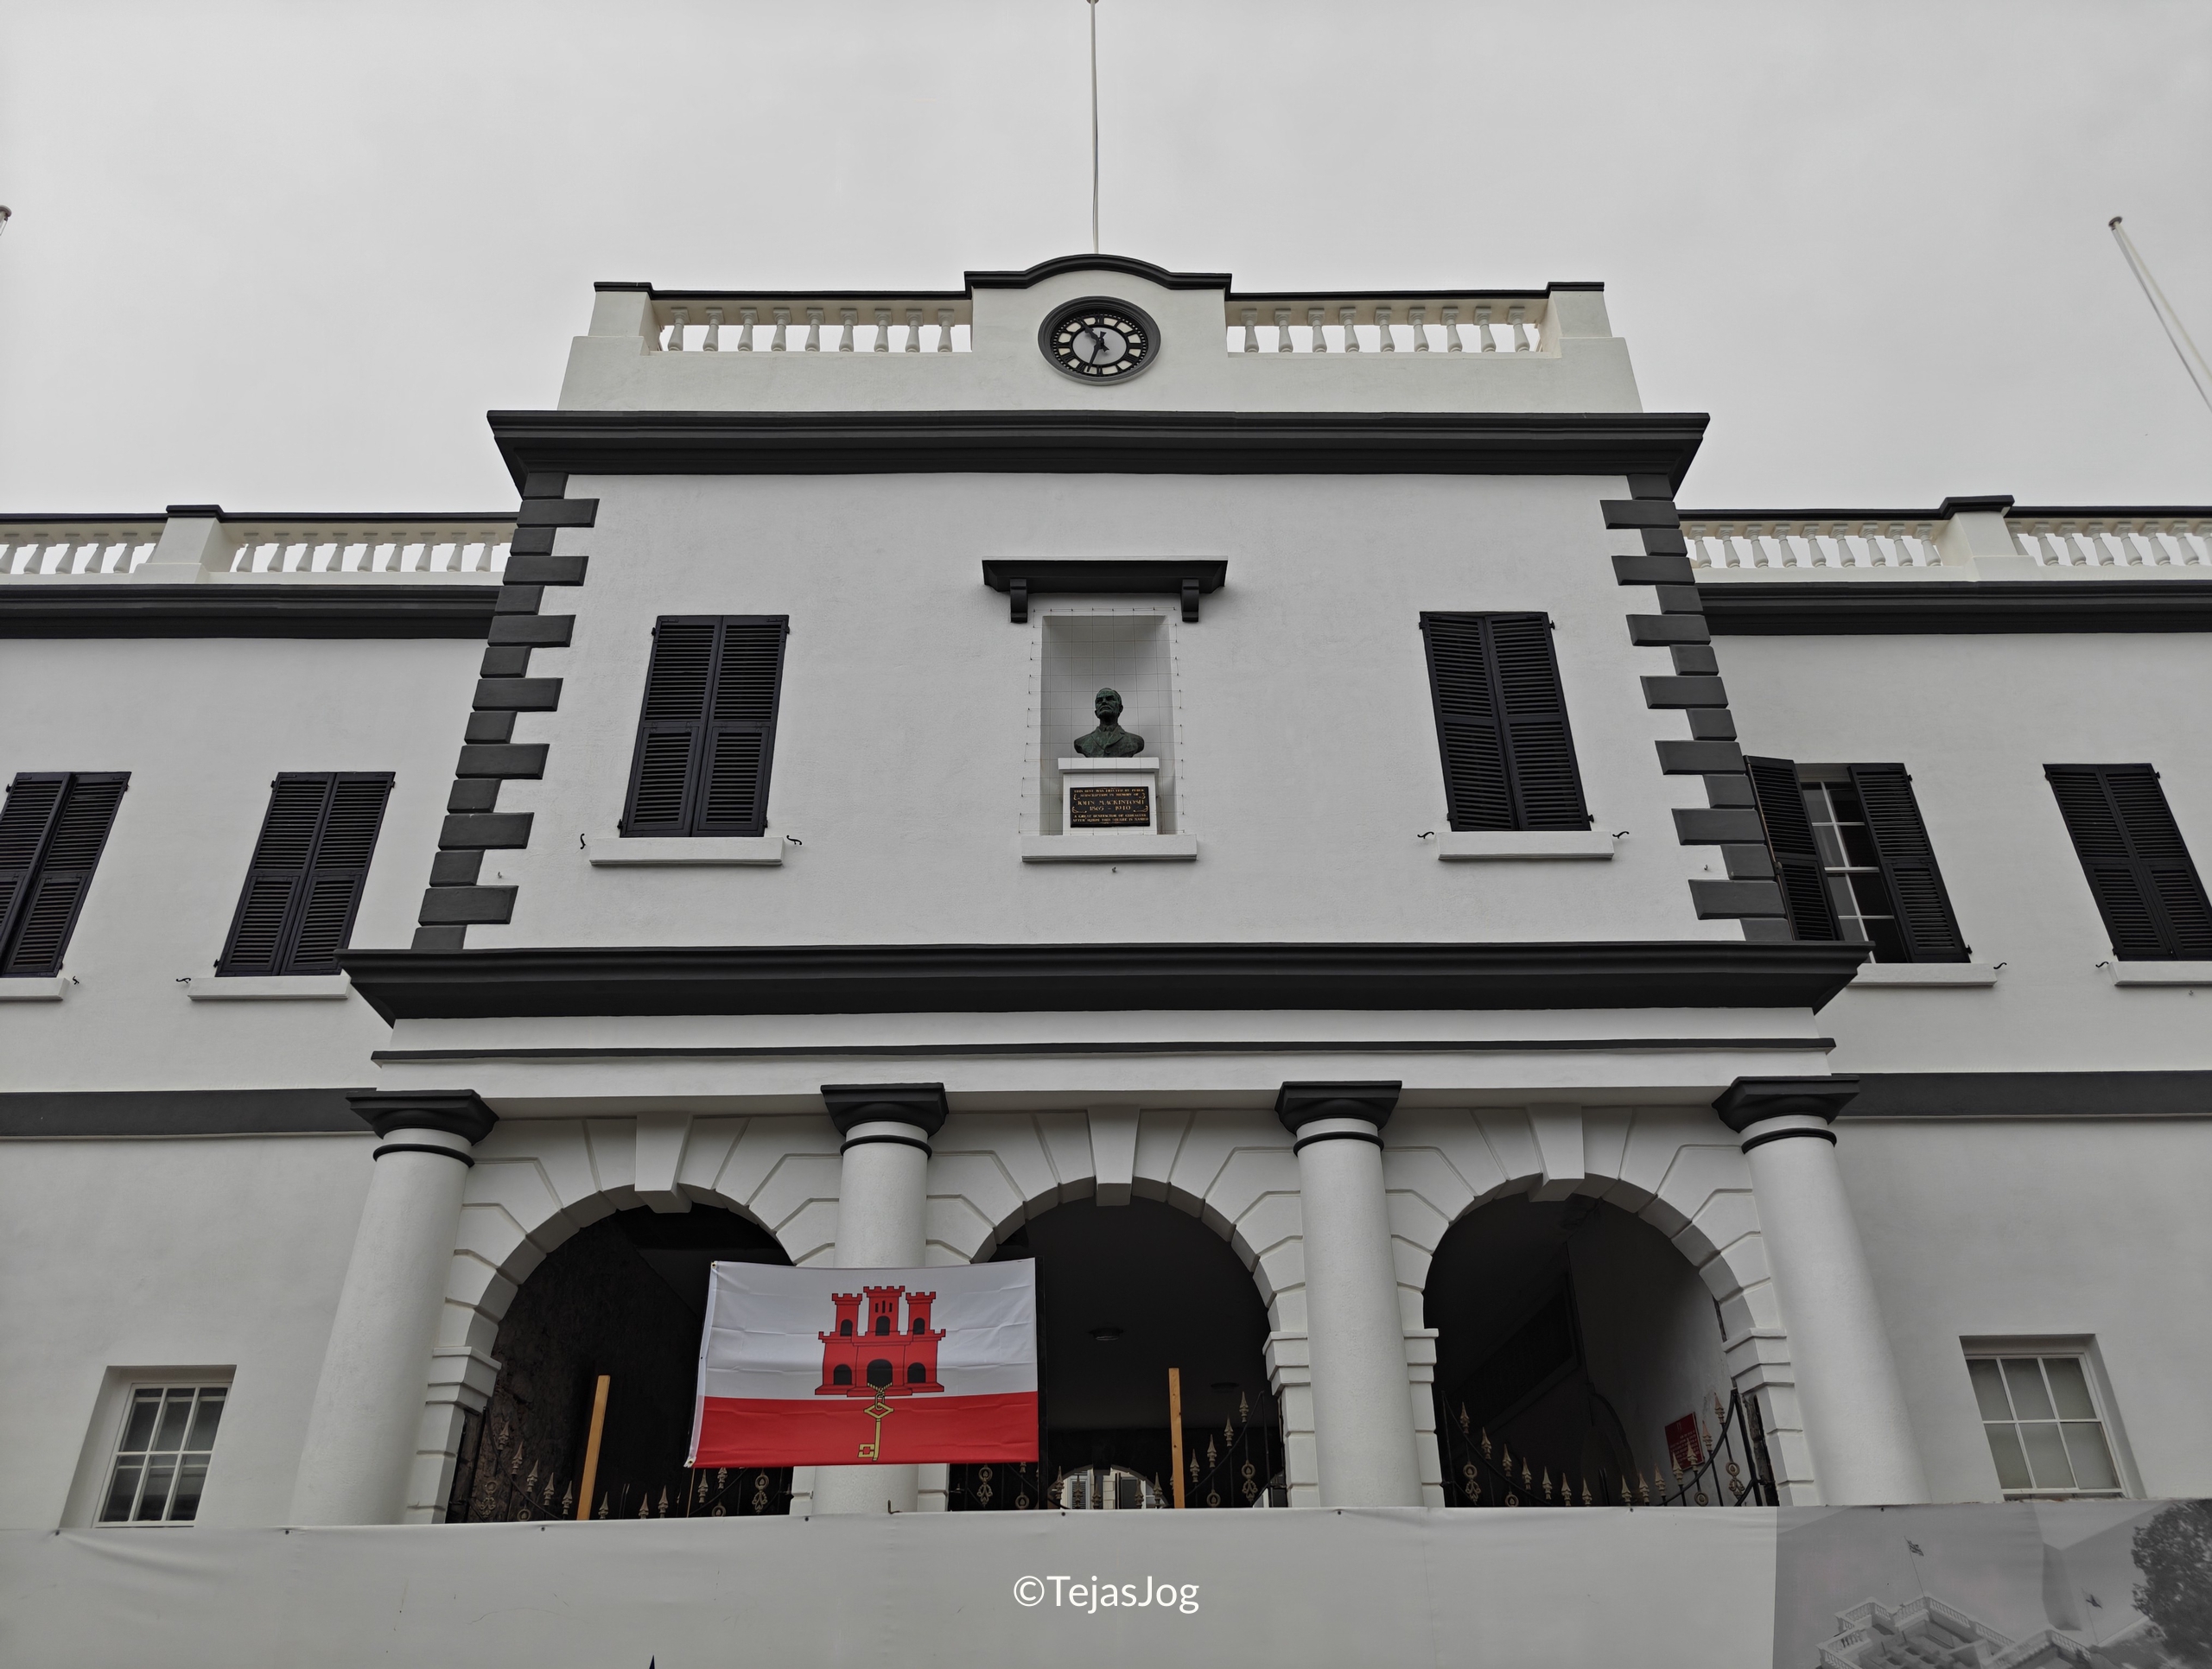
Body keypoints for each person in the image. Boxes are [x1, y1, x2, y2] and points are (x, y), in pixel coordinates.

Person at [1072, 687, 1145, 758]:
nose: (1104, 702)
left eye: (1110, 699)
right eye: (1099, 701)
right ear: (1096, 712)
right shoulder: (1082, 742)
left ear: (1120, 708)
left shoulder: (1135, 741)